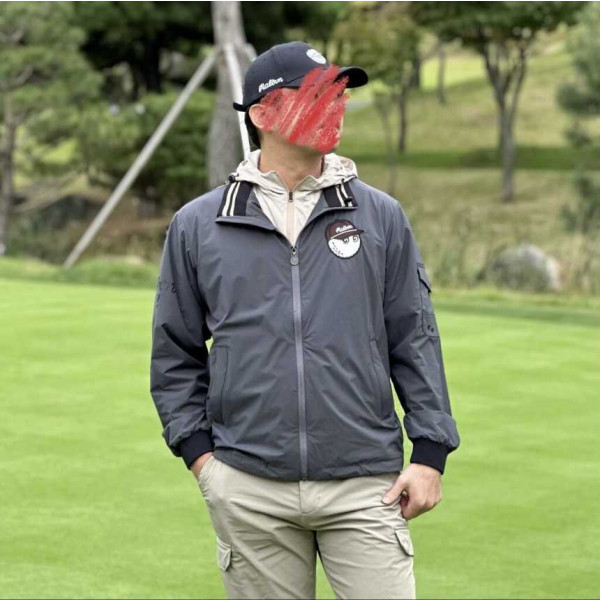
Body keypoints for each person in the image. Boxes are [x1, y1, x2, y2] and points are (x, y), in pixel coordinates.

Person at [150, 41, 460, 600]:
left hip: (365, 483)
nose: (336, 106)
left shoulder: (381, 216)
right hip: (248, 486)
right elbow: (175, 352)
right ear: (263, 114)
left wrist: (430, 453)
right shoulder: (197, 225)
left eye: (339, 95)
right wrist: (202, 460)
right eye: (317, 96)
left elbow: (414, 337)